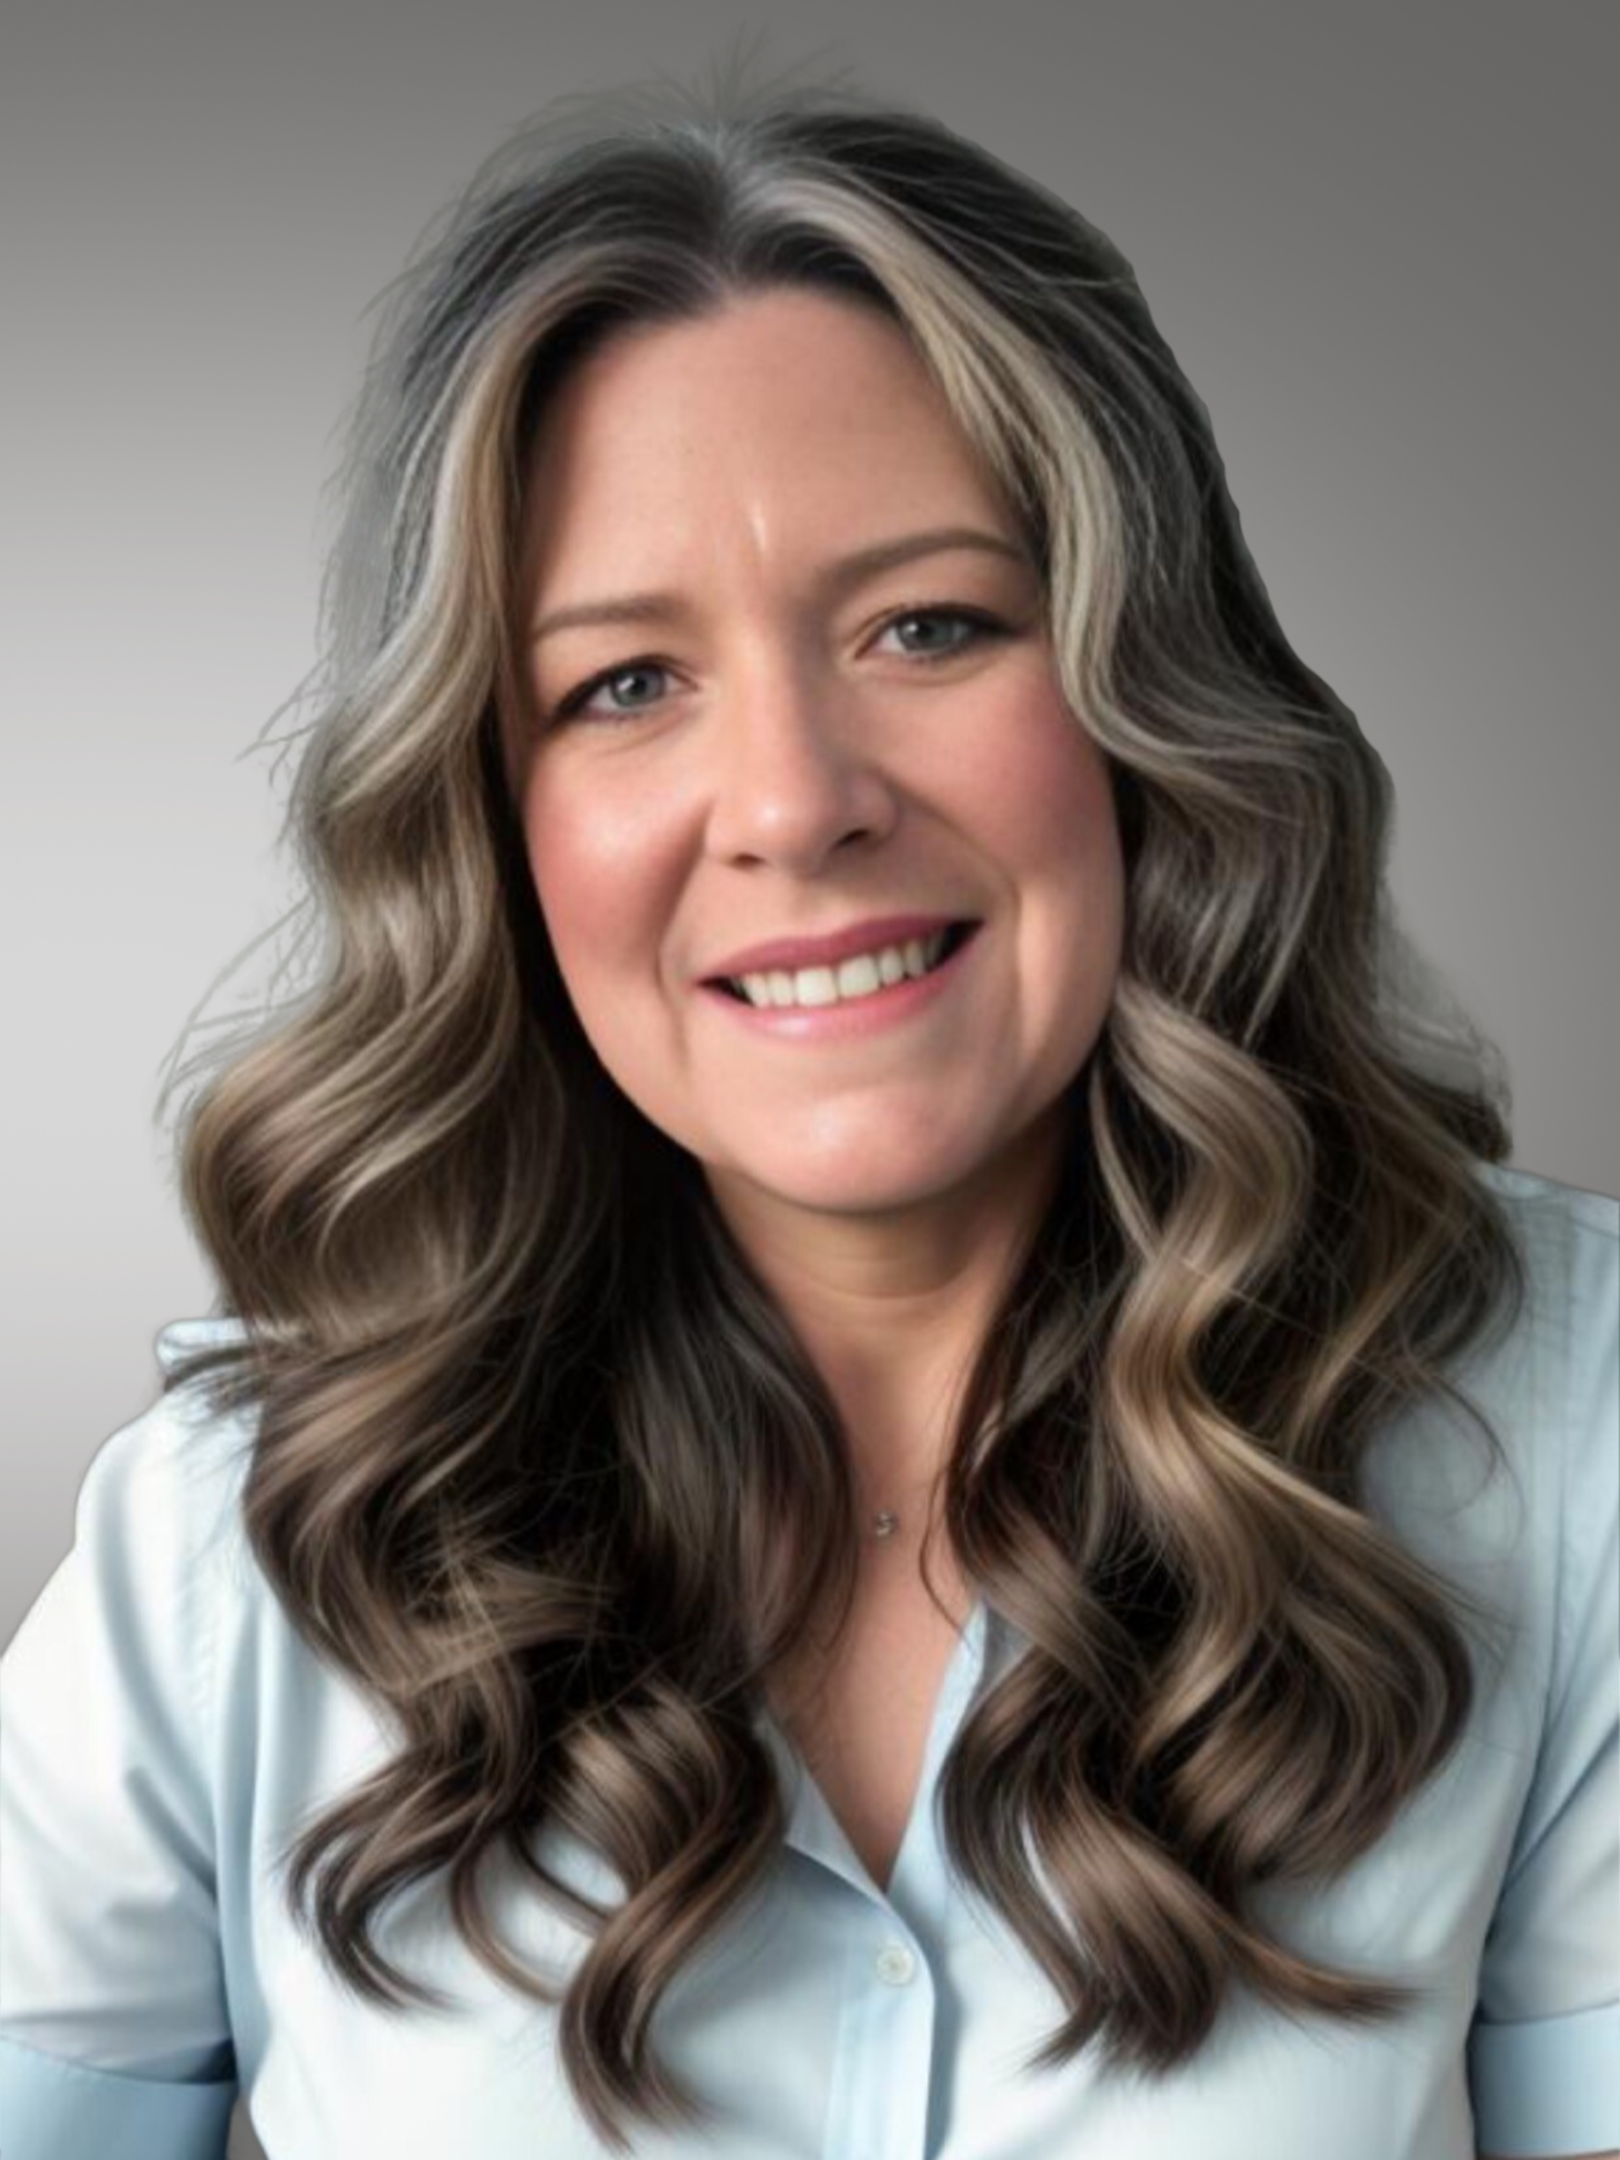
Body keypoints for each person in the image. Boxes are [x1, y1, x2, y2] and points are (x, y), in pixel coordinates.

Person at [1, 55, 1615, 2160]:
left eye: (928, 624)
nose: (791, 804)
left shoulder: (1568, 1430)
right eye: (625, 685)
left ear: (1144, 703)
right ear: (496, 821)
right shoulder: (221, 1561)